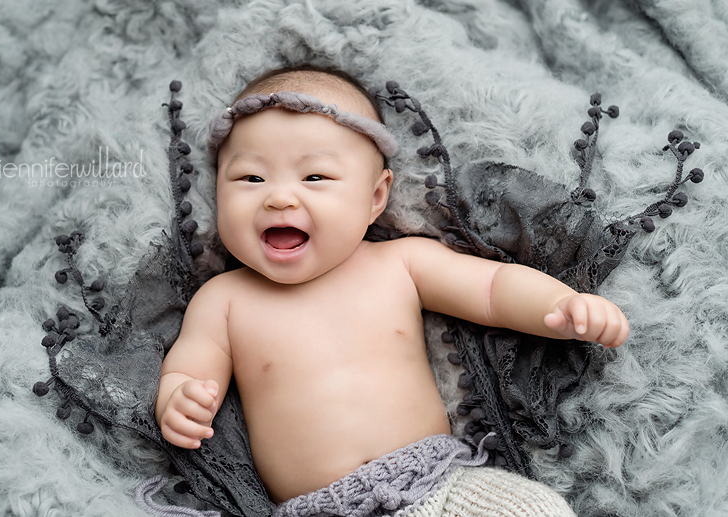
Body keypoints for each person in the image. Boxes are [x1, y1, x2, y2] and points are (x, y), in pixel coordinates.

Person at [154, 65, 629, 516]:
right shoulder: (223, 300)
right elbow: (188, 368)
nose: (279, 197)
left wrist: (560, 304)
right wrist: (180, 400)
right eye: (250, 178)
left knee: (536, 508)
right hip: (315, 507)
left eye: (315, 177)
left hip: (435, 481)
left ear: (375, 197)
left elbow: (491, 287)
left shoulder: (400, 263)